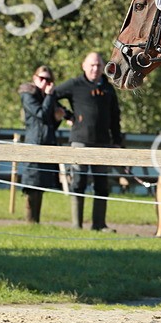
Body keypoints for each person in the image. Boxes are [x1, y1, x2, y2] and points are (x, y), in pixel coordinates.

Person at [54, 51, 124, 231]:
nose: (95, 68)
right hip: (80, 142)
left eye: (99, 65)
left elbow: (115, 117)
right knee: (79, 182)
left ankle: (99, 224)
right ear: (84, 66)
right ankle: (76, 225)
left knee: (102, 184)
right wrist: (67, 115)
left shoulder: (108, 89)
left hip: (103, 143)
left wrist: (117, 141)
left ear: (103, 68)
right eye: (92, 65)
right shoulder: (74, 84)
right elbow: (52, 96)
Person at [17, 65, 63, 224]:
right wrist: (50, 97)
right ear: (34, 78)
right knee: (31, 184)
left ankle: (36, 222)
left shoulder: (48, 97)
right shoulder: (28, 95)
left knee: (41, 184)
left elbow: (49, 123)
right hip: (34, 144)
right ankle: (30, 221)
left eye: (48, 79)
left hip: (47, 143)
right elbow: (41, 115)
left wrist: (58, 119)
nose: (44, 82)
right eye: (41, 78)